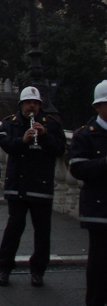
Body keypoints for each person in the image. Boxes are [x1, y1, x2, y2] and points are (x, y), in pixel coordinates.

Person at [0, 86, 66, 288]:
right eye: (28, 103)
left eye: (35, 103)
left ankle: (38, 270)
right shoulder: (11, 123)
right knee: (14, 228)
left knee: (42, 231)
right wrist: (22, 140)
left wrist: (44, 136)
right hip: (18, 184)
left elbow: (61, 148)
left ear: (40, 105)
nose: (31, 106)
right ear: (21, 105)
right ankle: (5, 267)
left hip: (41, 185)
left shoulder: (50, 124)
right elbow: (4, 143)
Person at [70, 80, 107, 306]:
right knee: (99, 262)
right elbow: (77, 168)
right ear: (98, 106)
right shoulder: (85, 134)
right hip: (99, 207)